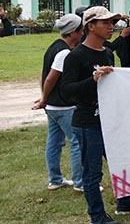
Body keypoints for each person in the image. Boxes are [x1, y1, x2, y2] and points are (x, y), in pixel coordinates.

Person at [62, 6, 130, 224]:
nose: (111, 27)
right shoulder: (75, 56)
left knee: (122, 163)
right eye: (105, 23)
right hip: (88, 124)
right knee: (93, 174)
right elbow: (66, 92)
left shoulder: (107, 53)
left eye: (112, 22)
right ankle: (97, 215)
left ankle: (125, 202)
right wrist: (92, 80)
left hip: (112, 121)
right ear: (90, 26)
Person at [32, 14, 84, 192]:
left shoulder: (53, 46)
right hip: (63, 106)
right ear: (73, 32)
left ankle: (55, 179)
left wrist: (45, 100)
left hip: (52, 107)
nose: (83, 32)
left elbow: (43, 74)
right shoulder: (64, 53)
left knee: (54, 142)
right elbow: (50, 78)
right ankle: (80, 182)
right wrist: (44, 99)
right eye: (81, 30)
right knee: (77, 142)